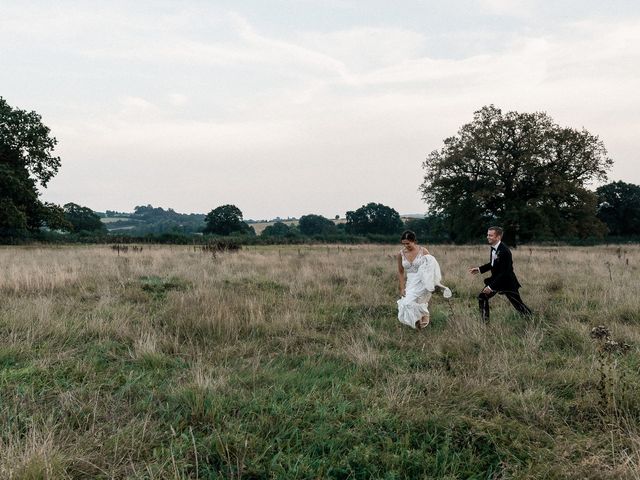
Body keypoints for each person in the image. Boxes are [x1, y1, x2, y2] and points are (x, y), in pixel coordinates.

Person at [468, 226, 532, 323]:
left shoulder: (505, 251)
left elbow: (505, 272)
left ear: (498, 237)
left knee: (518, 305)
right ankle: (485, 323)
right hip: (497, 280)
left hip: (507, 282)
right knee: (482, 296)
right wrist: (479, 269)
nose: (488, 237)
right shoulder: (494, 248)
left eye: (491, 235)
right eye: (487, 235)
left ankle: (531, 319)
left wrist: (490, 287)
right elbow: (493, 264)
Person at [397, 230, 451, 330]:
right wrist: (401, 287)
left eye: (408, 243)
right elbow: (400, 271)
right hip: (410, 282)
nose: (406, 246)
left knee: (417, 302)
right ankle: (419, 321)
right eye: (403, 244)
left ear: (414, 241)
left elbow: (431, 267)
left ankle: (421, 323)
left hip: (423, 281)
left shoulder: (423, 251)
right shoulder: (401, 254)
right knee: (407, 303)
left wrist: (432, 283)